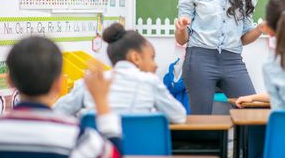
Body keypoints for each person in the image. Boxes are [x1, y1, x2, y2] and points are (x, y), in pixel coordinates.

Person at [0, 36, 122, 158]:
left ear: (9, 81)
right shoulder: (72, 132)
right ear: (59, 83)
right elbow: (113, 156)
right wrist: (101, 101)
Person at [175, 0, 264, 114]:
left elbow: (244, 37)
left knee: (253, 112)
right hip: (199, 59)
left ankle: (247, 145)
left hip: (232, 60)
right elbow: (182, 39)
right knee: (202, 122)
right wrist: (181, 28)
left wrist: (261, 28)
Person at [54, 23, 187, 123]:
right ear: (135, 57)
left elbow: (56, 111)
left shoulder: (90, 83)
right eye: (151, 57)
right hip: (142, 155)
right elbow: (179, 116)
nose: (155, 64)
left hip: (98, 155)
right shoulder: (150, 82)